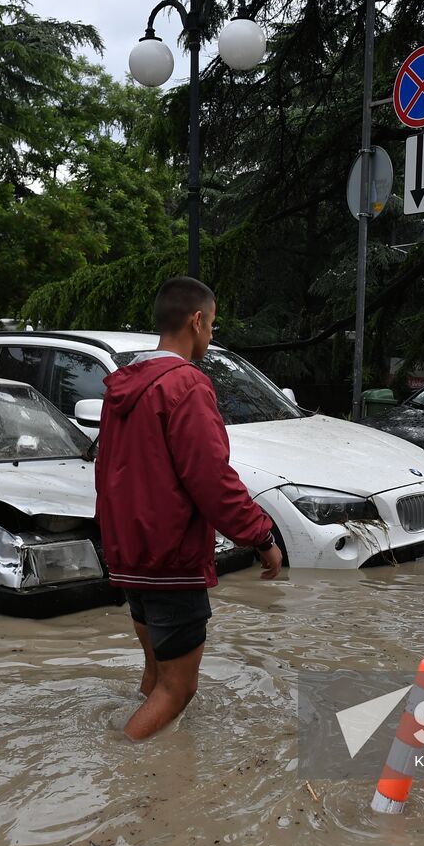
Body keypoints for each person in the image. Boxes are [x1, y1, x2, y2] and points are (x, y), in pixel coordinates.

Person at [95, 276, 283, 740]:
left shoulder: (123, 386)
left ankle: (151, 768)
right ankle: (119, 763)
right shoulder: (187, 386)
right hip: (170, 560)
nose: (212, 336)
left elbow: (110, 471)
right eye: (213, 326)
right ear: (196, 321)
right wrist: (262, 537)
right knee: (178, 690)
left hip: (128, 556)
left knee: (157, 676)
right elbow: (212, 480)